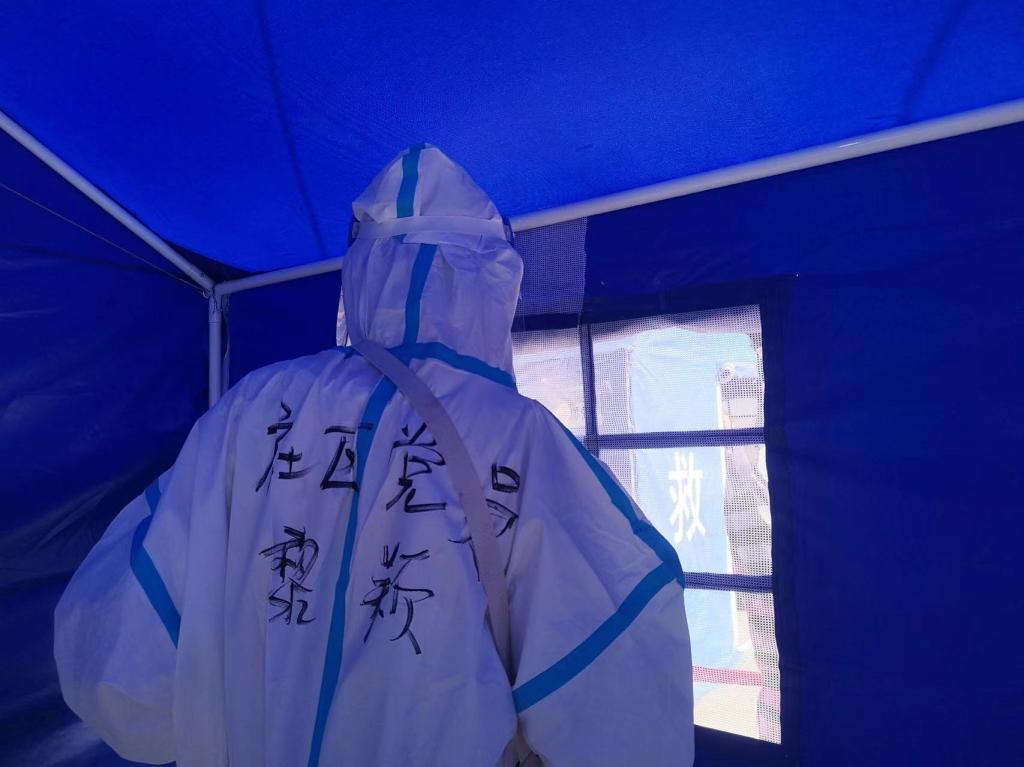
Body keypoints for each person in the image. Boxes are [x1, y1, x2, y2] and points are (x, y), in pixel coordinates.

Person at [55, 145, 694, 766]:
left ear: (360, 274)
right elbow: (618, 681)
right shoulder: (525, 441)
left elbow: (121, 665)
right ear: (492, 281)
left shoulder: (251, 409)